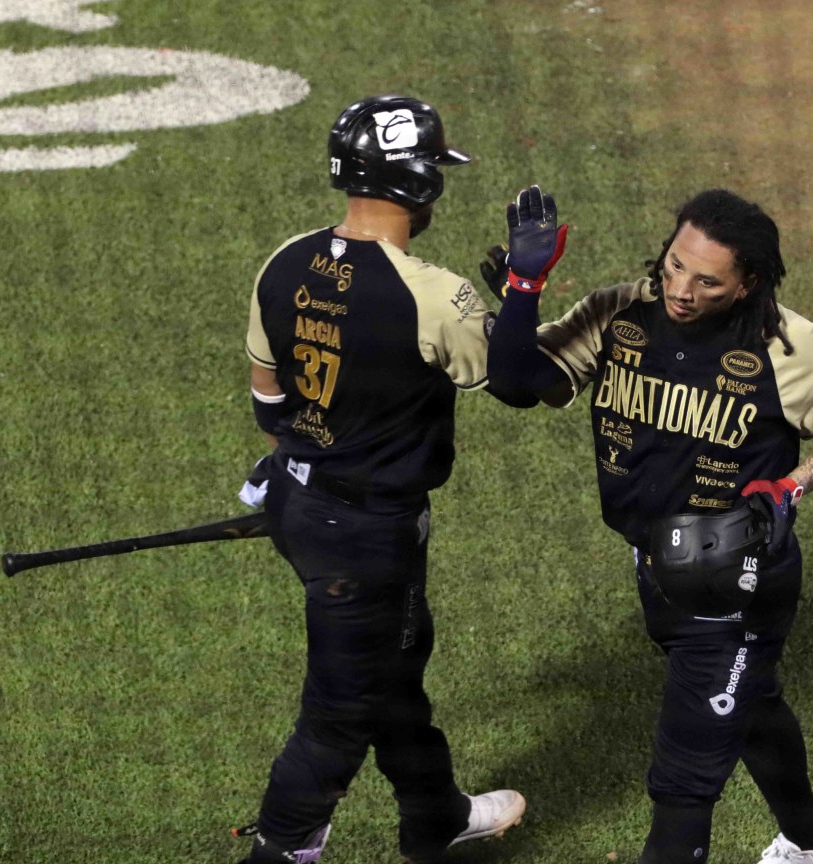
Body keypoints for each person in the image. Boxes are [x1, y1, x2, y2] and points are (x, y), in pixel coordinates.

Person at [484, 186, 813, 863]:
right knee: (753, 707)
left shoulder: (791, 345)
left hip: (737, 585)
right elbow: (517, 383)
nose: (681, 289)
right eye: (675, 264)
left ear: (747, 283)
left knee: (683, 781)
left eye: (707, 281)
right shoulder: (619, 312)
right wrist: (523, 292)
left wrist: (792, 484)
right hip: (655, 566)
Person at [234, 95, 533, 864]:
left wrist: (306, 471)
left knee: (396, 663)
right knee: (336, 720)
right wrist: (522, 298)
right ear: (417, 182)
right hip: (368, 536)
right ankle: (279, 851)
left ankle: (435, 815)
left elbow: (269, 401)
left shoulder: (285, 261)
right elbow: (517, 380)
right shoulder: (436, 295)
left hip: (297, 503)